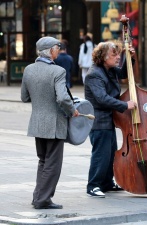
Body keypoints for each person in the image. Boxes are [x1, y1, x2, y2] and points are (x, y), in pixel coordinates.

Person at [21, 36, 79, 209]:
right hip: (54, 123)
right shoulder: (58, 71)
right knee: (52, 164)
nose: (59, 50)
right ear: (51, 51)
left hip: (37, 122)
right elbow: (62, 97)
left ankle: (38, 197)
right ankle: (42, 199)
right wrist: (72, 110)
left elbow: (24, 97)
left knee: (43, 161)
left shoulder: (28, 70)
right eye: (57, 48)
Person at [84, 41, 136, 198]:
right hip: (99, 120)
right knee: (101, 154)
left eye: (118, 54)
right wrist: (124, 105)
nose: (117, 57)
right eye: (114, 55)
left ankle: (107, 183)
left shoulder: (109, 69)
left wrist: (130, 57)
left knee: (110, 153)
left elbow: (123, 74)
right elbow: (102, 98)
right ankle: (93, 185)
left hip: (108, 119)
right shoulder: (94, 74)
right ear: (103, 57)